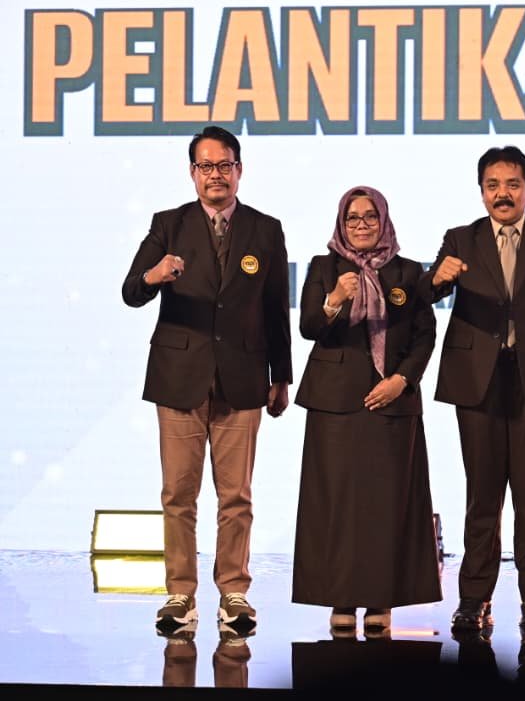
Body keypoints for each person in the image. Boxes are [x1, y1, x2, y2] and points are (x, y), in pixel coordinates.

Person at [122, 125, 291, 633]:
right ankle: (180, 594)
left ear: (239, 170)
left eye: (224, 165)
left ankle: (234, 592)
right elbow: (131, 290)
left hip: (243, 377)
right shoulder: (168, 225)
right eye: (205, 166)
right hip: (179, 377)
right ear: (192, 173)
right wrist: (154, 277)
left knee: (236, 495)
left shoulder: (265, 229)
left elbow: (275, 309)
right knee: (178, 494)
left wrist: (281, 376)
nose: (215, 175)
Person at [428, 146, 525, 634]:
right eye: (493, 185)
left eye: (512, 184)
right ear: (481, 192)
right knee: (482, 497)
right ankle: (473, 598)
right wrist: (437, 279)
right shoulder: (461, 238)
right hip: (477, 382)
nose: (503, 194)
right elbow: (429, 292)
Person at [292, 186, 441, 635]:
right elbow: (309, 326)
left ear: (383, 221)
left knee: (385, 506)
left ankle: (381, 599)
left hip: (391, 403)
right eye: (352, 218)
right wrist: (334, 299)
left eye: (369, 217)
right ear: (341, 223)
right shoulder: (324, 267)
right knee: (336, 505)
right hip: (335, 403)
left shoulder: (408, 272)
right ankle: (339, 597)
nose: (361, 225)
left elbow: (425, 334)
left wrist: (402, 380)